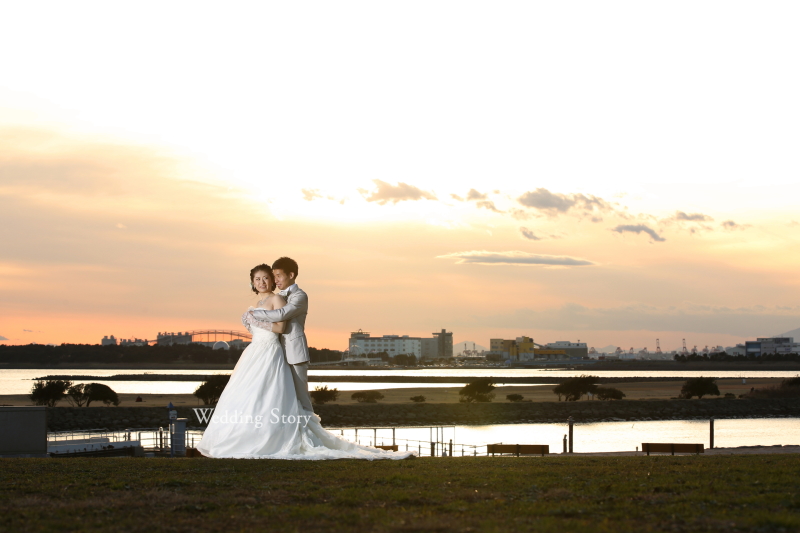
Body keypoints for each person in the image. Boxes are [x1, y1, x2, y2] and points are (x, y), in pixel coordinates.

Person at [195, 263, 414, 460]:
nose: (262, 282)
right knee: (249, 396)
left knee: (272, 395)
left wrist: (254, 318)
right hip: (254, 353)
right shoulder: (261, 302)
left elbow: (280, 328)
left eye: (266, 278)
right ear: (252, 283)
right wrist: (251, 319)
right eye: (257, 279)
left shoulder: (277, 299)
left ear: (272, 279)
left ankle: (279, 438)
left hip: (270, 351)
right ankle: (246, 438)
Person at [248, 257, 313, 414]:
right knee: (284, 397)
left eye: (278, 275)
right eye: (274, 276)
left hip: (294, 352)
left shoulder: (300, 296)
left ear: (291, 275)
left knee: (301, 397)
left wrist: (255, 314)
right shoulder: (278, 296)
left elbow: (281, 314)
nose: (275, 280)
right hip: (276, 353)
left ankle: (311, 433)